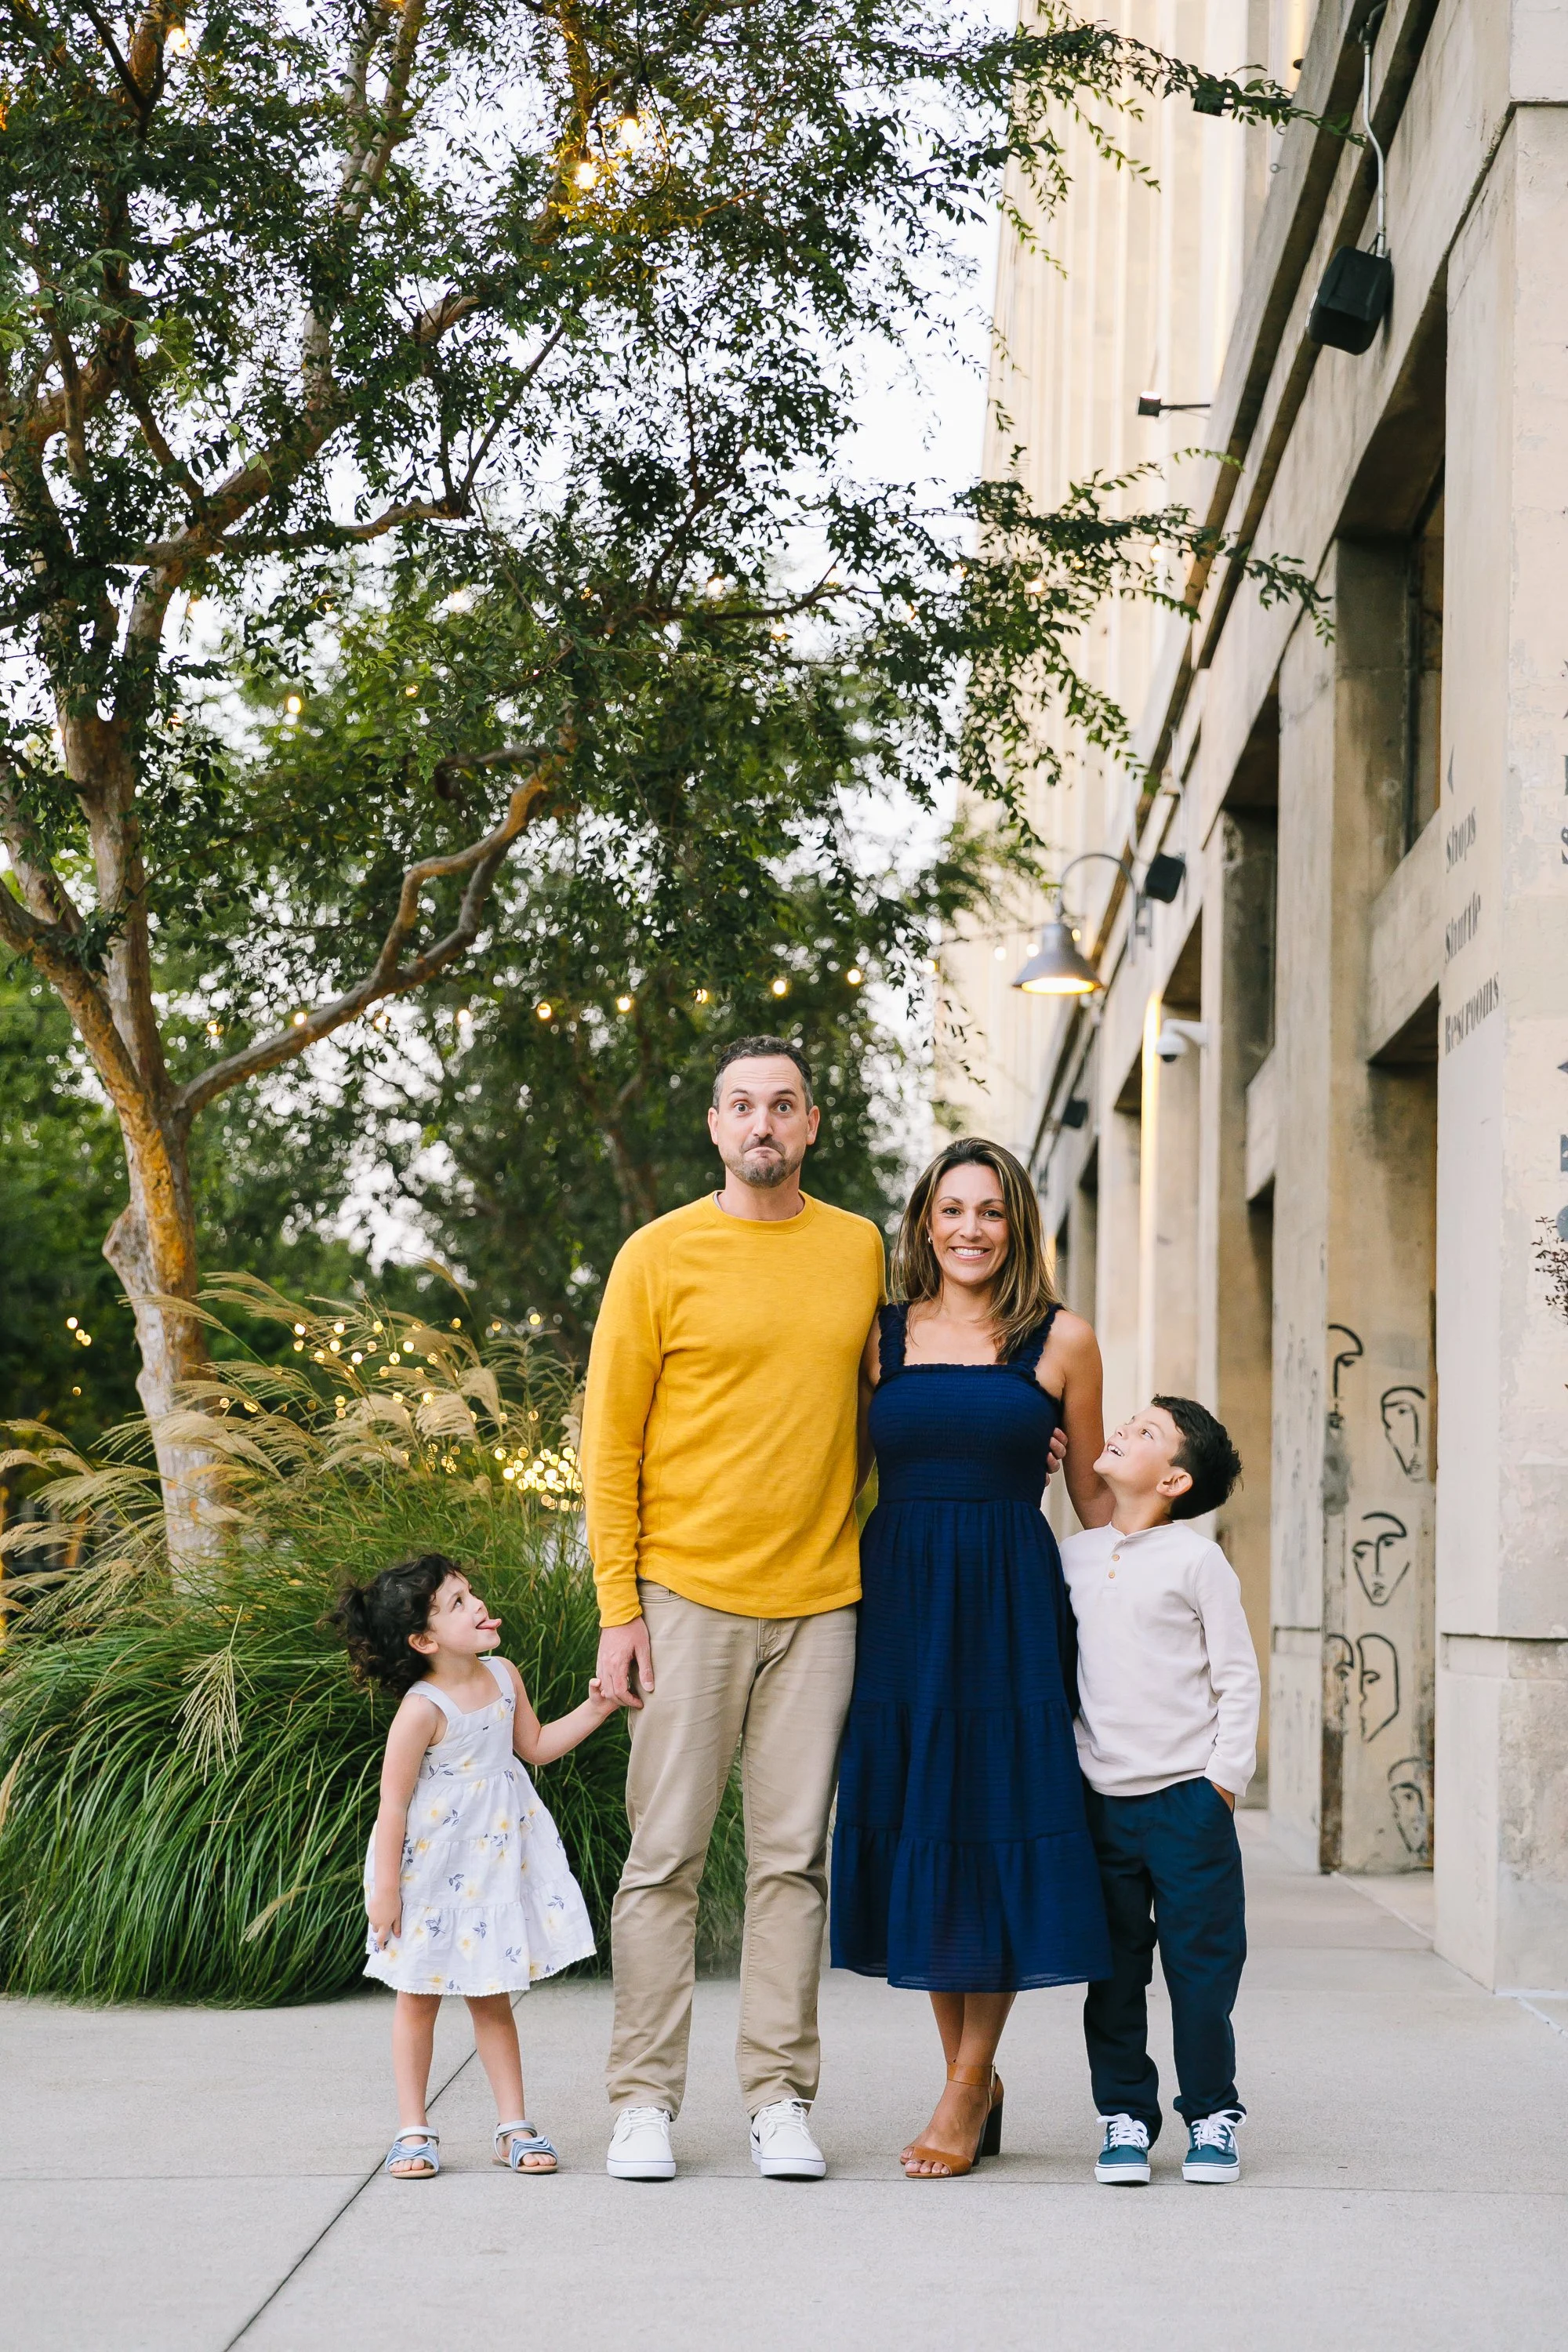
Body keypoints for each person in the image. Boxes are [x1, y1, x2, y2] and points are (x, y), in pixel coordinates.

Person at [579, 1036, 885, 2183]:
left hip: (823, 1601)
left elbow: (889, 1402)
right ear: (715, 1127)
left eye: (784, 1105)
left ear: (812, 1126)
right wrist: (622, 1608)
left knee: (791, 1863)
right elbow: (608, 1443)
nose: (764, 1122)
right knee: (664, 1858)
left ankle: (777, 2097)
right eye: (743, 1105)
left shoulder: (857, 1249)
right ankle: (643, 2102)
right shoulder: (658, 1257)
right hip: (684, 1596)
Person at [831, 1136, 1114, 2178]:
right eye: (951, 1210)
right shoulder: (879, 1338)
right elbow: (838, 1472)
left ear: (1018, 1222)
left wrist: (1147, 1594)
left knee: (992, 1826)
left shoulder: (1063, 1340)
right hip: (902, 1600)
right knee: (926, 1827)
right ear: (923, 1223)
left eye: (990, 1211)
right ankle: (972, 2080)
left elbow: (1091, 1493)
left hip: (1009, 1602)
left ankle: (962, 2087)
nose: (970, 1230)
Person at [331, 1551, 615, 2180]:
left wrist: (597, 1708)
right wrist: (384, 1892)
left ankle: (512, 2124)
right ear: (424, 1640)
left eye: (470, 1593)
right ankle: (413, 2128)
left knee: (492, 1996)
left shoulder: (504, 1675)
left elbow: (535, 1748)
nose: (478, 1604)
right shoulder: (422, 1708)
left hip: (496, 1863)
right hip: (431, 1873)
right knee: (418, 1998)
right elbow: (393, 1806)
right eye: (457, 1603)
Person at [1061, 1398, 1259, 2187]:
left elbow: (1235, 1677)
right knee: (1110, 1974)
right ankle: (1123, 2117)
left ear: (1173, 1478)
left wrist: (1222, 1782)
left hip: (1185, 1799)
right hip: (1098, 1800)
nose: (1122, 1430)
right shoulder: (1072, 1557)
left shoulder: (1195, 1561)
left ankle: (1211, 2112)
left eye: (1146, 1433)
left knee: (1199, 1972)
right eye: (1129, 1420)